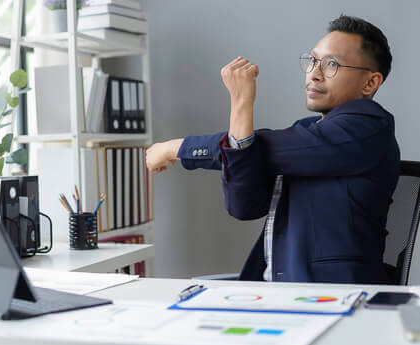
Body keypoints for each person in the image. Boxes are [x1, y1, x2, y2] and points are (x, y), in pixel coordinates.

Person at [146, 15, 400, 284]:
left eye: (332, 64)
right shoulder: (308, 132)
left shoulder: (366, 129)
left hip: (330, 296)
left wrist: (176, 147)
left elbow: (261, 149)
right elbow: (244, 206)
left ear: (370, 83)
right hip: (276, 289)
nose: (314, 73)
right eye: (313, 61)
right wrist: (241, 117)